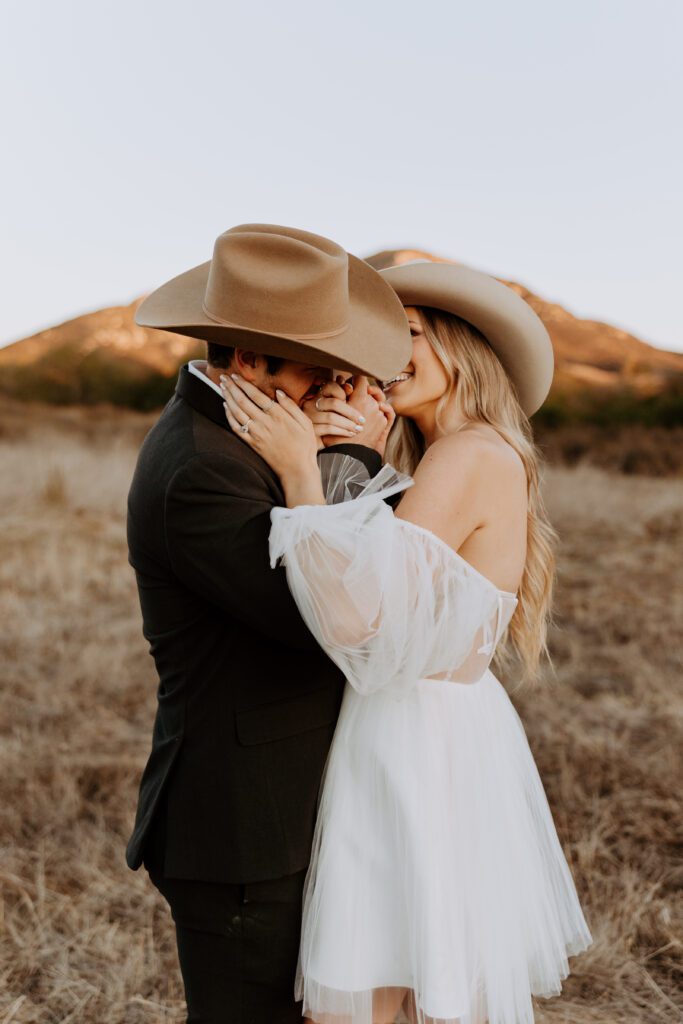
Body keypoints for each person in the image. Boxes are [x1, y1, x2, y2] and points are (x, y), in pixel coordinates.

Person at [220, 260, 593, 1024]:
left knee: (365, 993)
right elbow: (395, 567)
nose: (388, 357)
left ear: (461, 348)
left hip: (412, 734)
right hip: (437, 728)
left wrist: (299, 474)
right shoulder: (459, 455)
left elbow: (361, 622)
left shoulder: (468, 454)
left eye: (411, 335)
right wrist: (360, 458)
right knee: (414, 978)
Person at [125, 223, 411, 1023]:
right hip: (241, 828)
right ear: (247, 360)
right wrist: (347, 461)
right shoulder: (202, 470)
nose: (332, 391)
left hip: (280, 810)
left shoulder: (236, 439)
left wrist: (320, 460)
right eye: (318, 371)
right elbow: (324, 619)